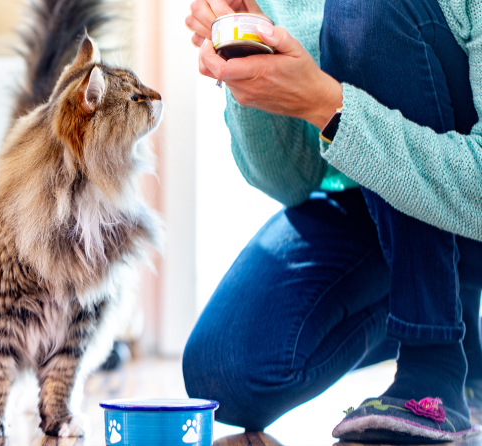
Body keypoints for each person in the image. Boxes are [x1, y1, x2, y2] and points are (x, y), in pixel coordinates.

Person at [182, 0, 482, 442]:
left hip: (468, 195)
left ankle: (433, 359)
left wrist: (329, 105)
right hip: (375, 198)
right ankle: (442, 313)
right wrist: (246, 72)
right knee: (223, 371)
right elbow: (291, 181)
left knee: (366, 10)